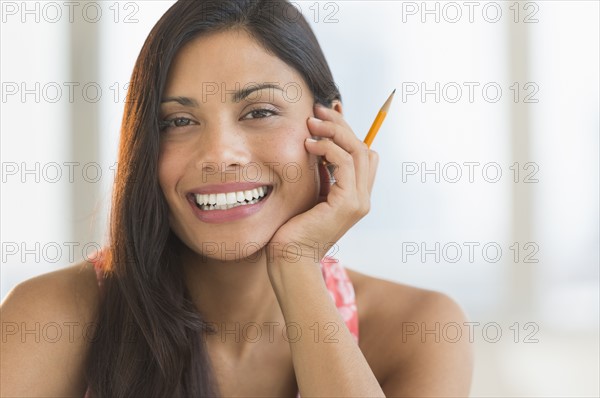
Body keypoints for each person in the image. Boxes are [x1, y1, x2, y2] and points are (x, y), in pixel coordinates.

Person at [0, 1, 473, 396]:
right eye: (179, 121)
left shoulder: (418, 329)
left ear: (332, 129)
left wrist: (297, 264)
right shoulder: (48, 319)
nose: (220, 154)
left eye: (260, 111)